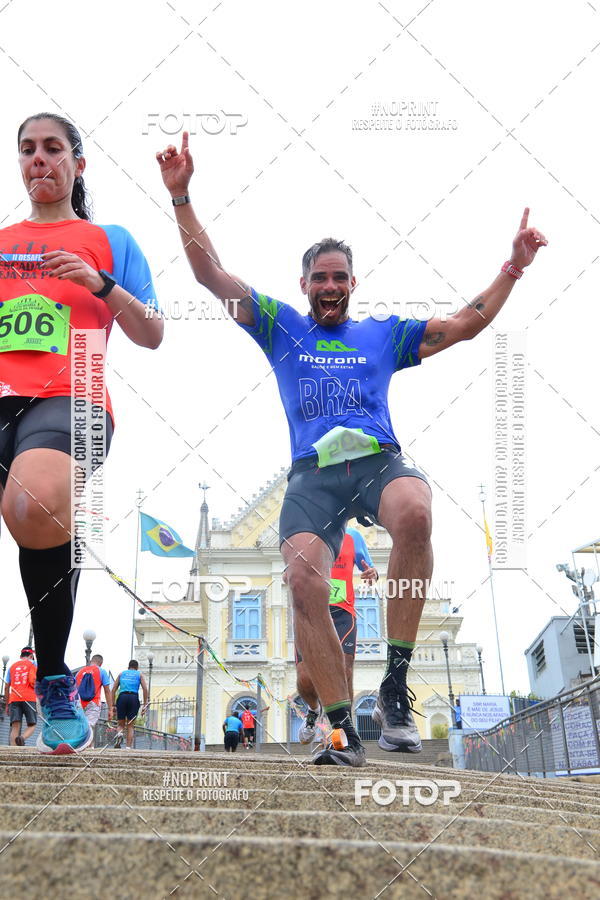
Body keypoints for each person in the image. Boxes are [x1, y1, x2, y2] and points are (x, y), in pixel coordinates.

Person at [157, 132, 547, 767]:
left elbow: (466, 324)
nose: (330, 286)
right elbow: (209, 272)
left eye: (340, 277)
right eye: (320, 278)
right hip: (312, 475)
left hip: (375, 461)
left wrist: (513, 268)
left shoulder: (382, 334)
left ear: (354, 282)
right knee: (301, 575)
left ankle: (394, 685)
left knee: (417, 511)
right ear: (304, 283)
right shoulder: (281, 327)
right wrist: (182, 197)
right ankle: (340, 729)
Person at [0, 113, 162, 755]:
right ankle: (51, 672)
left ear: (77, 163)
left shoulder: (108, 238)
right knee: (35, 516)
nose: (40, 159)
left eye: (53, 148)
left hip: (73, 397)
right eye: (27, 150)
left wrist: (100, 283)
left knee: (30, 500)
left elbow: (151, 331)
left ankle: (57, 677)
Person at [294, 525, 378, 744]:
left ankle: (342, 736)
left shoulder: (354, 536)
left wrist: (371, 572)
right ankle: (313, 710)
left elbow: (369, 567)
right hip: (310, 611)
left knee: (345, 670)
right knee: (305, 676)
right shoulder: (304, 532)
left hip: (342, 612)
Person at [75, 653, 112, 746]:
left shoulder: (80, 672)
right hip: (93, 702)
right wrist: (110, 709)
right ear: (101, 663)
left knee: (80, 725)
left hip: (79, 703)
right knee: (90, 726)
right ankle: (89, 748)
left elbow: (73, 689)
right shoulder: (101, 671)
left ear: (91, 661)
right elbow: (107, 691)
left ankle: (79, 746)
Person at [112, 660, 148, 750]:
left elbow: (113, 689)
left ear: (128, 667)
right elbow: (145, 689)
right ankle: (128, 747)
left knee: (120, 724)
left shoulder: (121, 674)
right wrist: (145, 704)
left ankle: (119, 734)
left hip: (122, 697)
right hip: (133, 697)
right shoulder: (139, 674)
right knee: (130, 725)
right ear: (137, 667)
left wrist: (113, 704)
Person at [4, 647, 37, 746]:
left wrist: (7, 704)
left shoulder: (12, 667)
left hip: (14, 698)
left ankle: (13, 751)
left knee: (15, 726)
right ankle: (22, 738)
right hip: (29, 698)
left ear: (20, 656)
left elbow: (6, 687)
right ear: (31, 656)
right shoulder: (34, 664)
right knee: (32, 725)